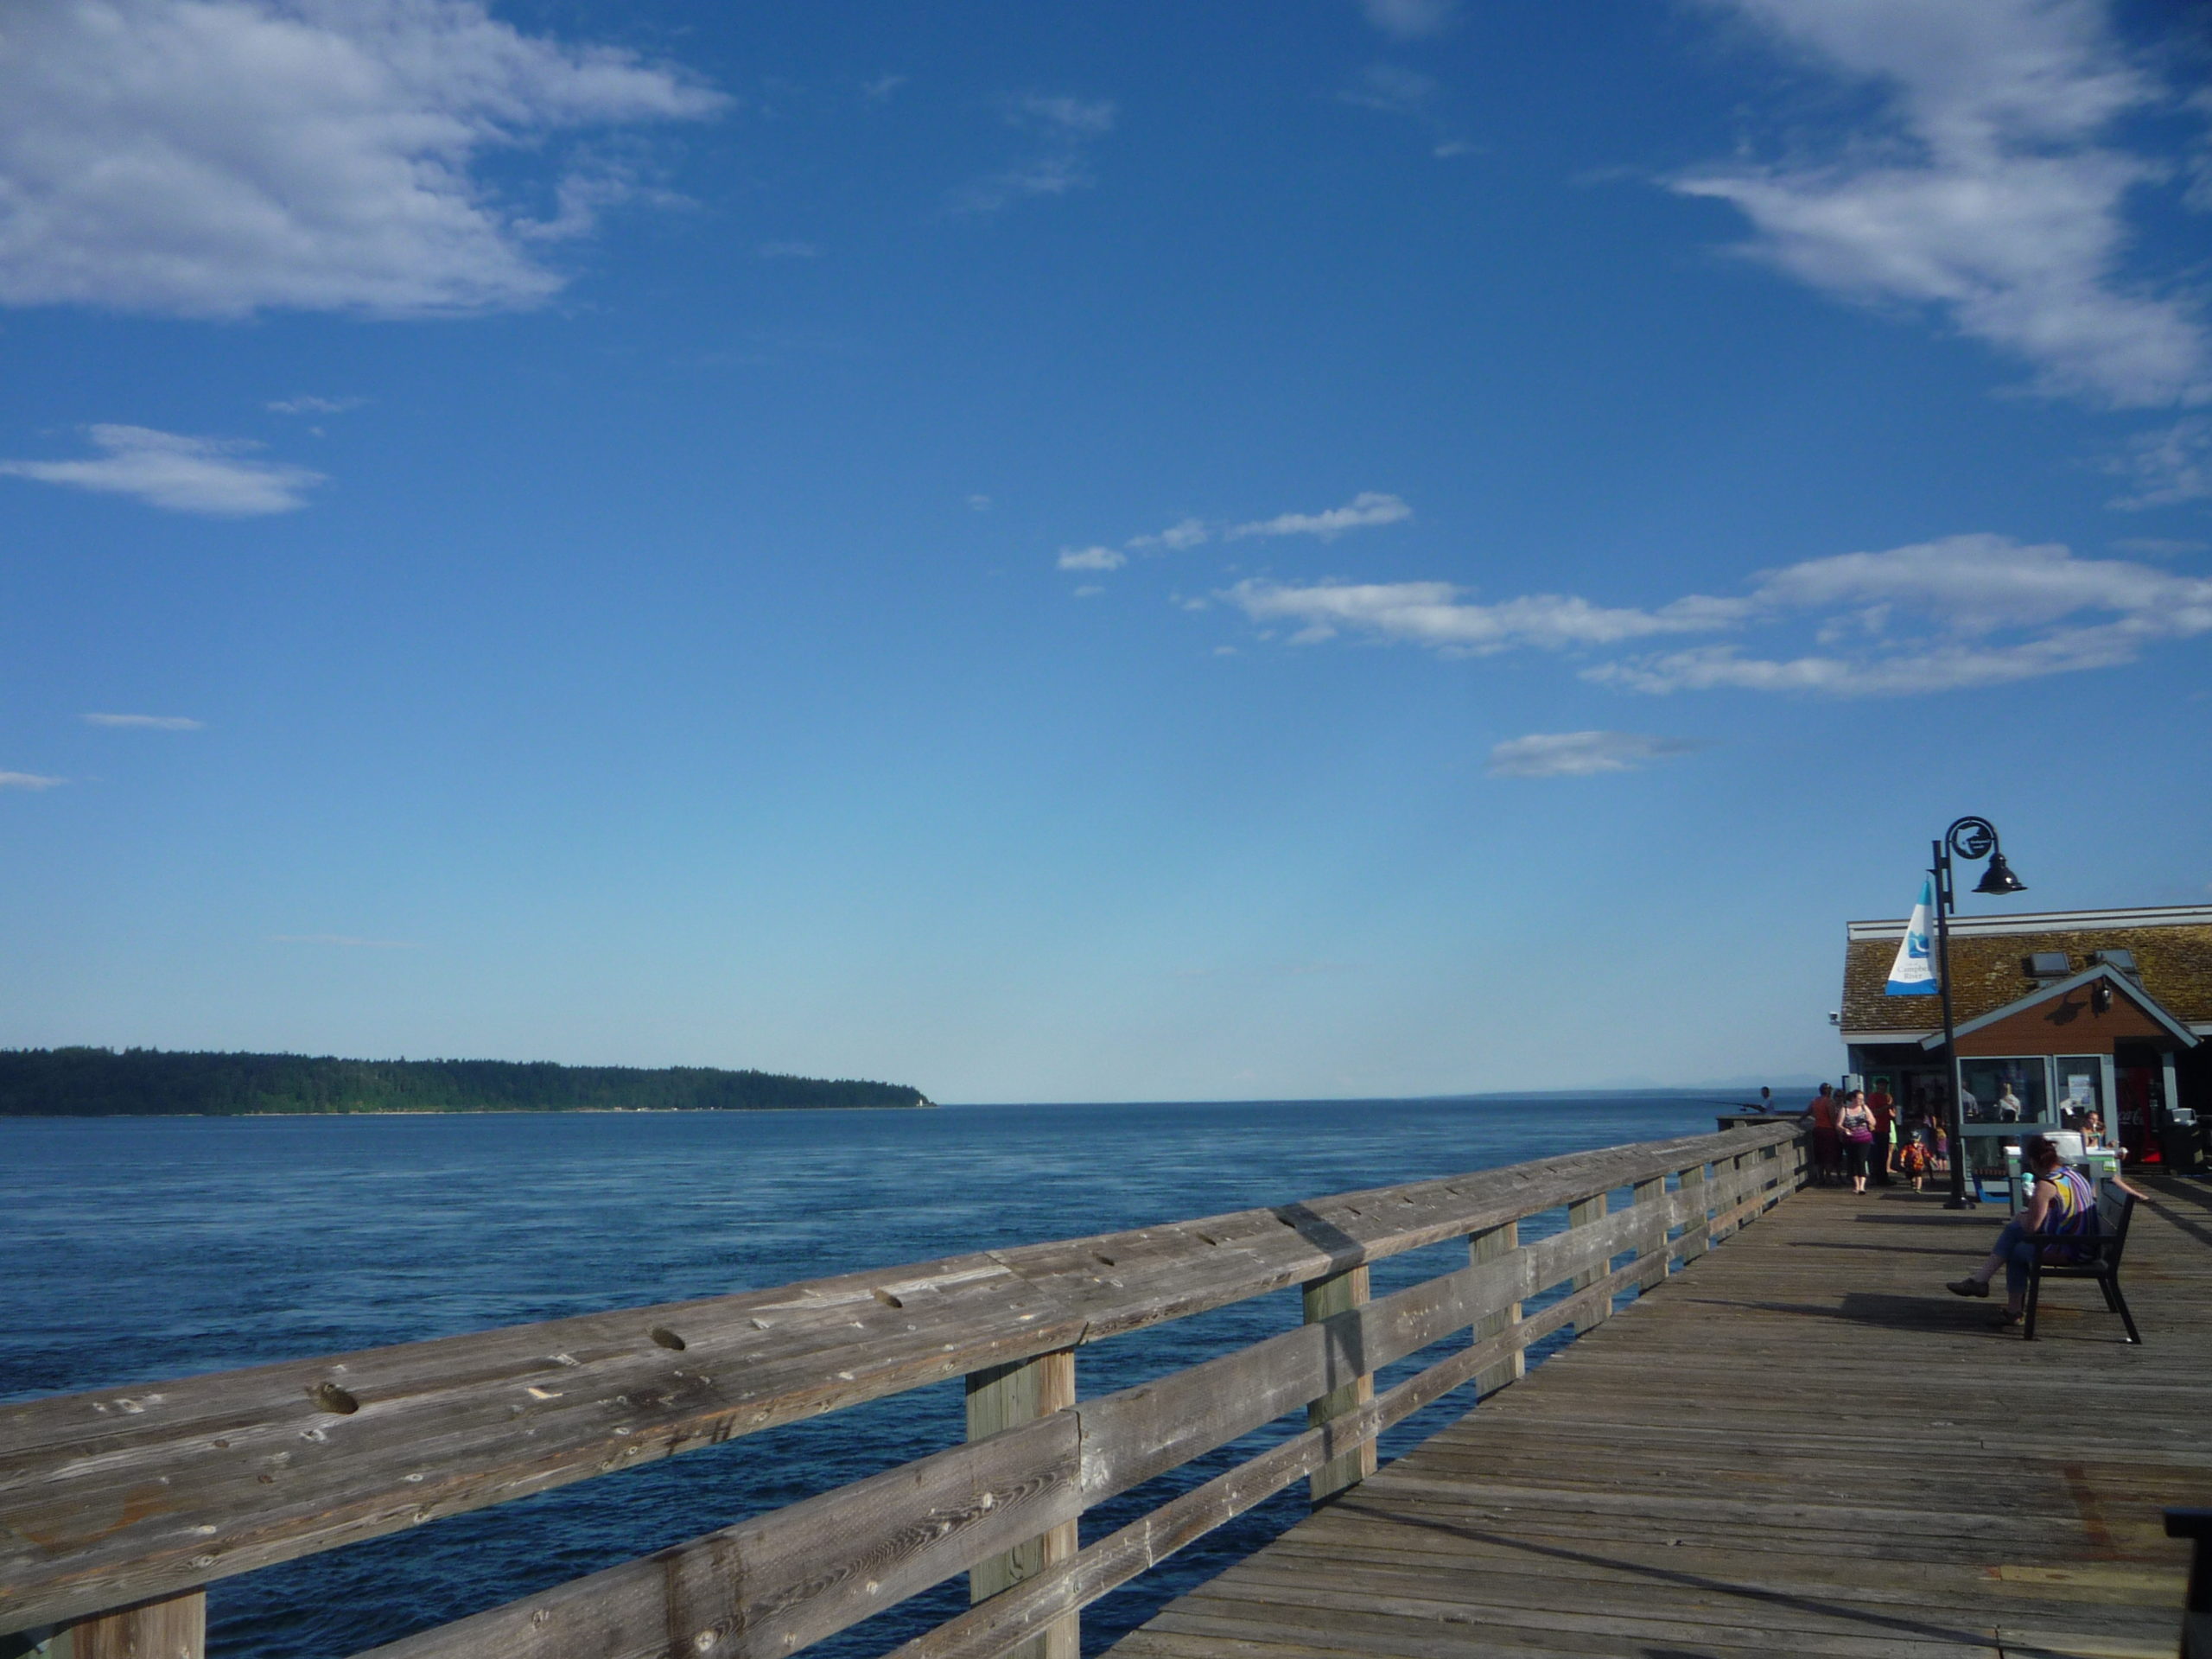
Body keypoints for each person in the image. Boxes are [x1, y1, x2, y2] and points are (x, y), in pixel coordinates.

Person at [1945, 1135, 2126, 1329]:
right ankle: (1982, 1282)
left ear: (2032, 1161)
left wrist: (2023, 1218)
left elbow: (2033, 1229)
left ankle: (1999, 1298)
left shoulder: (2047, 1185)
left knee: (2016, 1246)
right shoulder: (2075, 1176)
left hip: (2073, 1251)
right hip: (2088, 1244)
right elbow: (2068, 1211)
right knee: (2015, 1231)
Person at [1836, 1089, 1876, 1195]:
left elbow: (1873, 1121)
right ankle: (1856, 1185)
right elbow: (1838, 1124)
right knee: (1852, 1161)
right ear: (1853, 1098)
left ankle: (1862, 1186)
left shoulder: (1864, 1108)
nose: (1861, 1101)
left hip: (1864, 1138)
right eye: (1859, 1099)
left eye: (1862, 1099)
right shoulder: (1845, 1109)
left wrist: (1869, 1121)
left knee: (1861, 1160)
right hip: (1850, 1139)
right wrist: (1845, 1129)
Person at [1810, 1084, 1840, 1186]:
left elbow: (1807, 1112)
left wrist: (1799, 1120)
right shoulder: (1829, 1102)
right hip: (1828, 1131)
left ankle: (1820, 1177)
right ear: (1828, 1091)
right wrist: (1837, 1130)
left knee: (1819, 1155)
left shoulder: (1815, 1101)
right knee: (1828, 1155)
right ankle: (1828, 1177)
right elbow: (1832, 1118)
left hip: (1818, 1130)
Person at [1868, 1082, 1896, 1185]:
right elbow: (1874, 1112)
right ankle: (1876, 1178)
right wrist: (1887, 1107)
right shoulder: (1873, 1097)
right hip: (1877, 1130)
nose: (1883, 1087)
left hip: (1885, 1129)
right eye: (1882, 1085)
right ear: (1877, 1086)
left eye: (1885, 1085)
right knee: (1876, 1156)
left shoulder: (1886, 1097)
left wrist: (1892, 1109)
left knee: (1884, 1155)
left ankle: (1883, 1178)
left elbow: (1892, 1114)